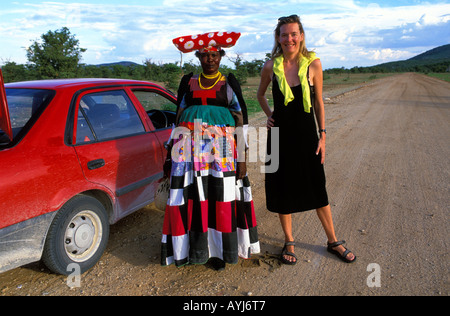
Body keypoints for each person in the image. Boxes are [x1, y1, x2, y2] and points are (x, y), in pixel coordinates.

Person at [257, 15, 356, 265]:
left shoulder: (313, 64)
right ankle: (289, 241)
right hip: (278, 137)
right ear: (277, 38)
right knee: (281, 187)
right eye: (284, 34)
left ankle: (333, 240)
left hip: (306, 135)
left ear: (301, 35)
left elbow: (319, 103)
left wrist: (322, 135)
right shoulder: (270, 66)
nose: (289, 38)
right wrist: (269, 116)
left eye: (293, 34)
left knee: (316, 185)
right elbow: (260, 95)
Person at [161, 32, 260, 271]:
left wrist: (243, 159)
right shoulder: (188, 82)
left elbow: (240, 121)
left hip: (222, 153)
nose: (210, 60)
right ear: (198, 57)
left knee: (220, 200)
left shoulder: (228, 84)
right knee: (192, 198)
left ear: (221, 56)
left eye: (214, 55)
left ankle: (219, 253)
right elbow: (178, 118)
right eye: (205, 55)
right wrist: (168, 154)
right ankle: (191, 251)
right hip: (186, 154)